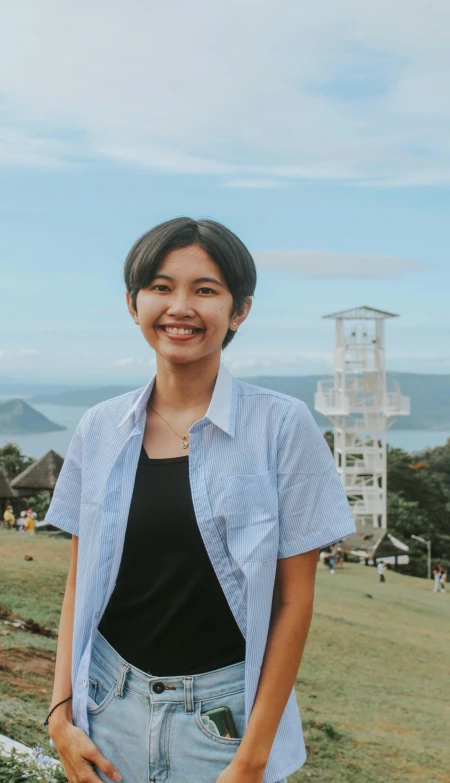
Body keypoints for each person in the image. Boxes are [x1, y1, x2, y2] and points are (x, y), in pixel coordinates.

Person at [44, 218, 356, 783]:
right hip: (105, 710)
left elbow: (294, 603)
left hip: (223, 726)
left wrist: (253, 758)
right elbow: (79, 577)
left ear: (239, 311)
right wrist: (60, 715)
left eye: (205, 290)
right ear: (133, 303)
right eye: (161, 287)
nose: (180, 307)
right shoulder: (100, 428)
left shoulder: (282, 427)